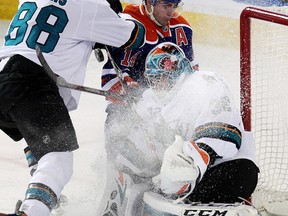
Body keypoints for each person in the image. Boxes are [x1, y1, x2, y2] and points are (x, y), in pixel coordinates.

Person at [0, 0, 146, 215]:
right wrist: (117, 14)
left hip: (4, 74)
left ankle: (43, 190)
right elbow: (134, 36)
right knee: (59, 157)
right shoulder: (90, 7)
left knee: (35, 131)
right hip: (32, 81)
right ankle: (33, 209)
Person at [97, 42, 259, 215]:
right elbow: (140, 118)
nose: (157, 84)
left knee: (239, 173)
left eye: (161, 78)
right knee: (126, 160)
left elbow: (226, 133)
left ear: (177, 71)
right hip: (184, 180)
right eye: (153, 80)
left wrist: (188, 164)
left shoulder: (204, 83)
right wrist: (125, 120)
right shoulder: (154, 98)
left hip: (227, 169)